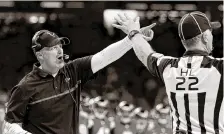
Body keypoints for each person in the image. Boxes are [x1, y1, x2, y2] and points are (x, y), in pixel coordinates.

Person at [2, 24, 154, 134]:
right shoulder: (25, 87)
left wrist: (131, 39)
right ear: (40, 55)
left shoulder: (73, 70)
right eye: (52, 48)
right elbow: (9, 124)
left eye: (59, 45)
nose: (59, 50)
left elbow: (104, 57)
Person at [113, 11, 223, 134]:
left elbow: (145, 54)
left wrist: (134, 33)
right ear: (205, 37)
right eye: (211, 33)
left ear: (183, 41)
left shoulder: (169, 67)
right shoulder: (219, 67)